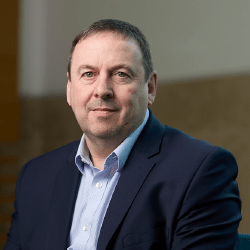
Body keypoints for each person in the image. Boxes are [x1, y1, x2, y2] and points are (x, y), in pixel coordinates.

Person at [4, 19, 241, 250]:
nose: (102, 90)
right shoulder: (35, 177)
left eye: (120, 74)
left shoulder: (201, 171)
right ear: (69, 89)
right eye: (88, 74)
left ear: (150, 88)